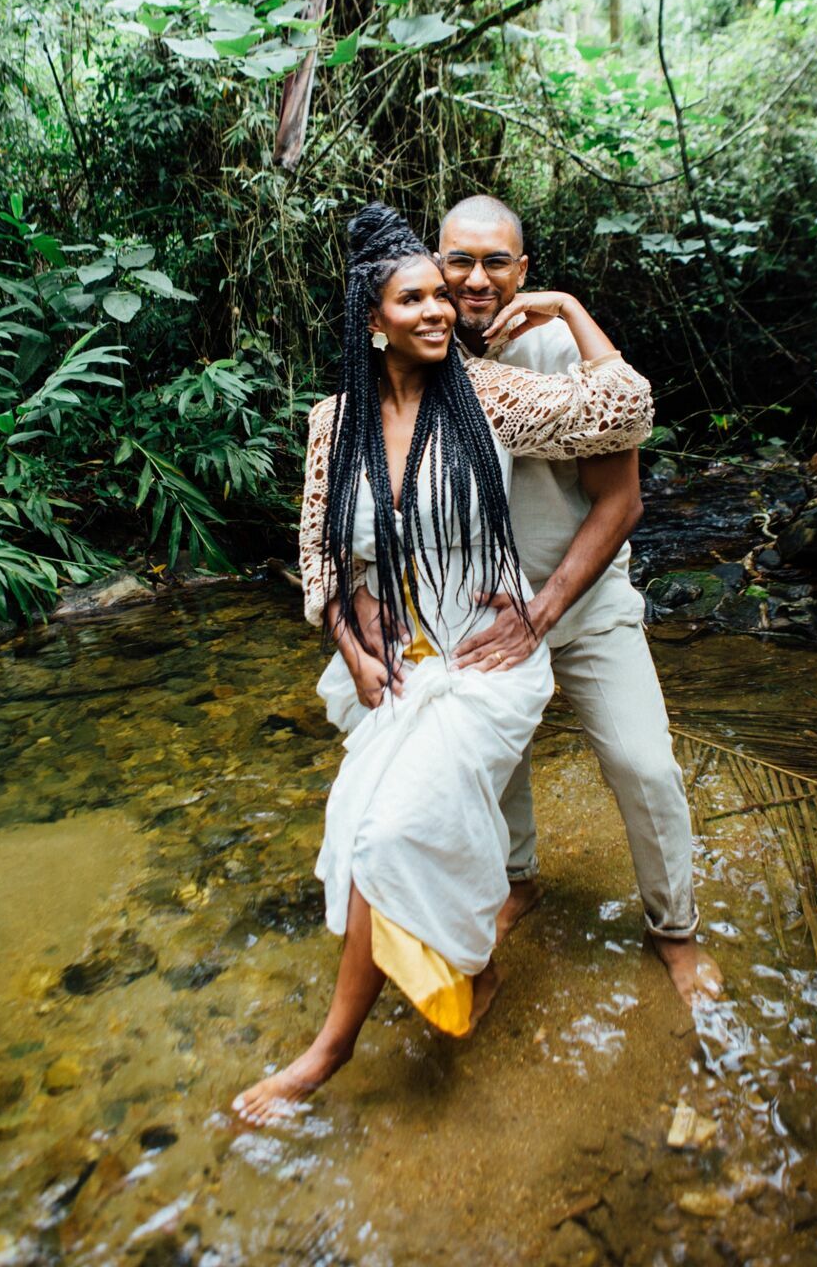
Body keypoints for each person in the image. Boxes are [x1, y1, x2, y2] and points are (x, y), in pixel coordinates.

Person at [232, 203, 654, 1125]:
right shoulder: (329, 424)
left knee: (385, 837)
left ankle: (327, 1051)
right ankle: (478, 968)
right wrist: (351, 639)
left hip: (482, 662)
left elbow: (624, 408)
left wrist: (571, 307)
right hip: (393, 670)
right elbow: (317, 559)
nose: (438, 310)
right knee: (368, 833)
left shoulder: (487, 395)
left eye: (441, 294)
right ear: (370, 318)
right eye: (413, 296)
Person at [361, 194, 719, 1002]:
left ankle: (675, 930)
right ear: (434, 263)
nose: (475, 279)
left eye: (496, 262)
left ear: (521, 270)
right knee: (492, 769)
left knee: (644, 765)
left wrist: (547, 609)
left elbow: (622, 503)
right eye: (459, 260)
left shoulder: (559, 347)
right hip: (477, 605)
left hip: (581, 601)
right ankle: (516, 883)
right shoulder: (422, 349)